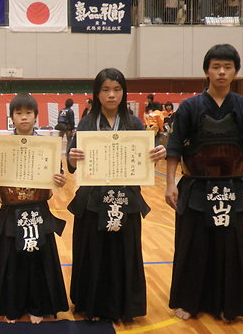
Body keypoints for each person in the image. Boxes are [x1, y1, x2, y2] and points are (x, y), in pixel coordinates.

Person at [165, 44, 243, 322]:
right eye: (216, 66)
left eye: (227, 67)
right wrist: (170, 183)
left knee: (231, 249)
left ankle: (227, 304)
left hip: (232, 189)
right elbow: (174, 148)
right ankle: (188, 301)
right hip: (195, 188)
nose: (221, 72)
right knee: (192, 247)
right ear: (206, 70)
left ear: (235, 72)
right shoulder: (190, 107)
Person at [67, 68, 166, 322]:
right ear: (97, 94)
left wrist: (154, 156)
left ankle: (125, 306)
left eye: (117, 89)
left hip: (126, 199)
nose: (111, 95)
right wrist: (73, 157)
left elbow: (142, 163)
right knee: (94, 251)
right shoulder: (86, 123)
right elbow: (71, 164)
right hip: (92, 200)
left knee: (125, 252)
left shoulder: (134, 124)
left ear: (124, 93)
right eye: (106, 90)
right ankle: (94, 306)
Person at [0, 93, 69, 324]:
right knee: (13, 261)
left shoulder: (46, 145)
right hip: (11, 211)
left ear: (36, 116)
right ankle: (13, 308)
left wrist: (60, 178)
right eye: (18, 113)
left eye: (28, 113)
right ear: (11, 117)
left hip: (38, 210)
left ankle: (37, 306)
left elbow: (57, 172)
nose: (24, 118)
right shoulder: (0, 146)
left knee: (38, 261)